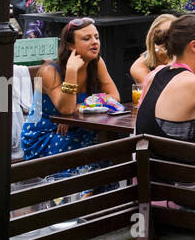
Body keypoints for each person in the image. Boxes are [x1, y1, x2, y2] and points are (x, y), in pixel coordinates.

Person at [21, 18, 122, 160]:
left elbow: (115, 96)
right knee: (92, 154)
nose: (95, 42)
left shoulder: (97, 62)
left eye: (96, 37)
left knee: (111, 146)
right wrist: (71, 71)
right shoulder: (49, 72)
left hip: (80, 127)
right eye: (87, 38)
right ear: (70, 46)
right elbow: (66, 110)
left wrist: (80, 108)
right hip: (46, 135)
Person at [136, 15, 195, 143]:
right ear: (194, 46)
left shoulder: (154, 75)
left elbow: (174, 128)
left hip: (147, 161)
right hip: (180, 162)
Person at [130, 13, 175, 88]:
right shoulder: (139, 66)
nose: (169, 39)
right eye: (165, 34)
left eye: (174, 34)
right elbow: (158, 92)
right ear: (152, 36)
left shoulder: (186, 57)